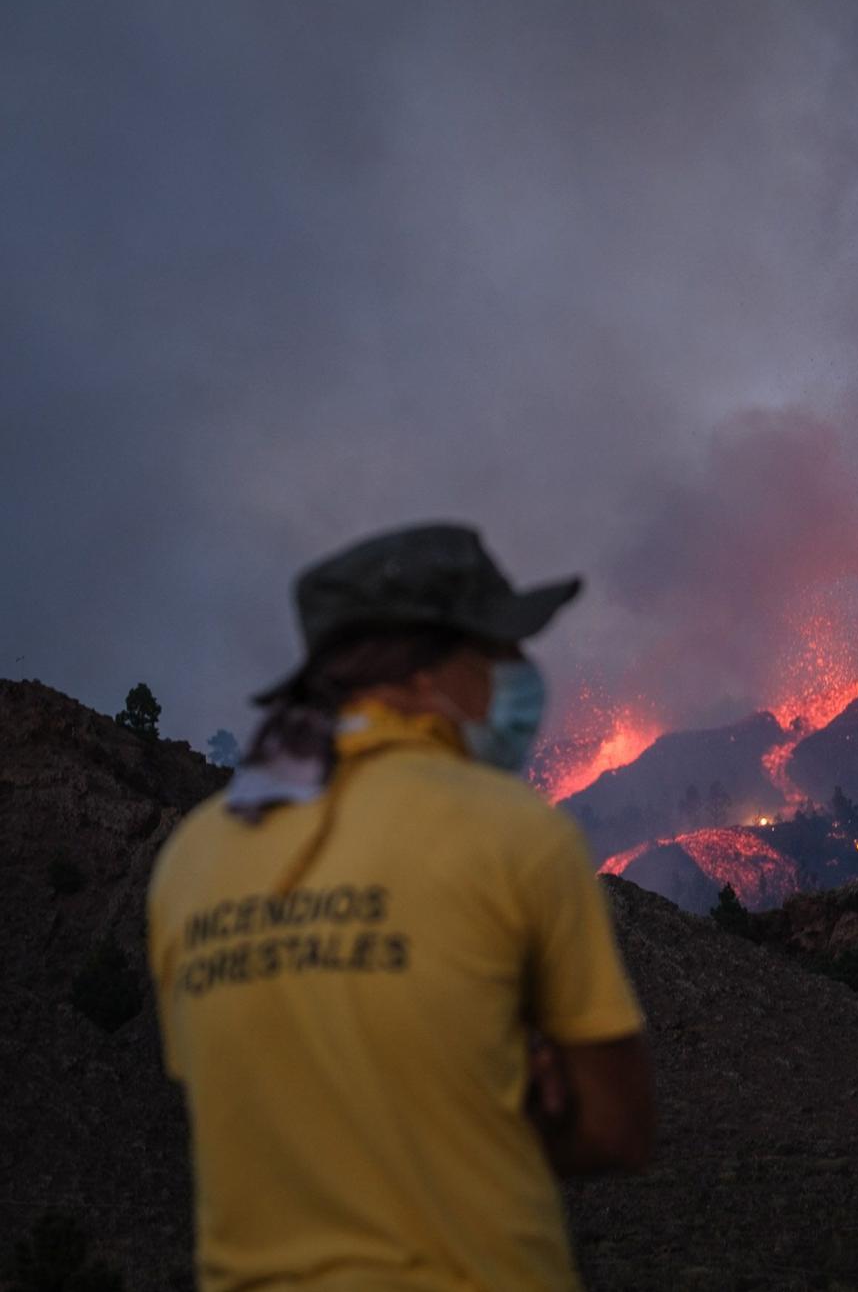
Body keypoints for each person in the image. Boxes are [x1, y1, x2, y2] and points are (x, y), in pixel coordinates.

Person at [147, 523, 653, 1292]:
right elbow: (619, 1127)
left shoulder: (191, 858)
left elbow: (247, 1105)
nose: (517, 673)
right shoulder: (512, 833)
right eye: (495, 653)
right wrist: (509, 1091)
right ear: (422, 676)